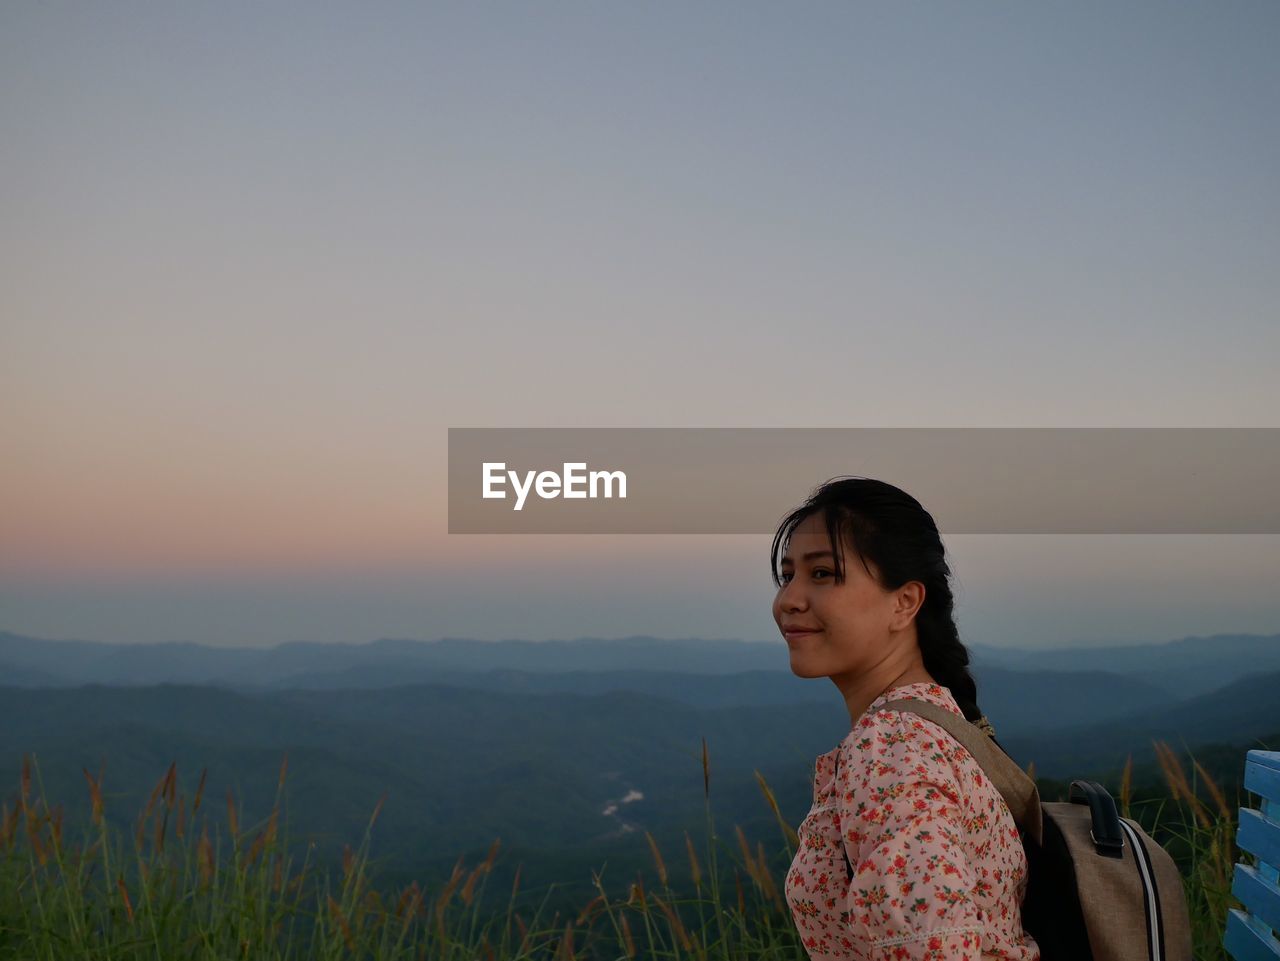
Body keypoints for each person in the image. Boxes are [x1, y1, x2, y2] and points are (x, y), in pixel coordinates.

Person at [773, 476, 1039, 961]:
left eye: (823, 574)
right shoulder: (934, 721)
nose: (789, 598)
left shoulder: (893, 747)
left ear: (905, 602)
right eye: (787, 575)